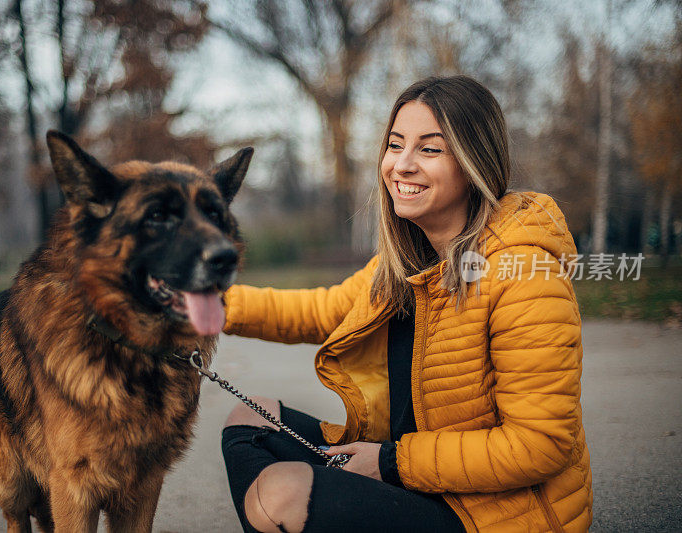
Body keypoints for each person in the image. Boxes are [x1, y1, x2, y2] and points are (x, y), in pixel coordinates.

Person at [219, 75, 591, 533]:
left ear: (476, 163)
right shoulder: (409, 263)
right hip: (411, 480)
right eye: (396, 145)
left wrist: (392, 463)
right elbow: (321, 310)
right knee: (249, 417)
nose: (402, 165)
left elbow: (540, 445)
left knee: (283, 494)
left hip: (490, 515)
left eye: (430, 149)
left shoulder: (522, 272)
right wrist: (204, 305)